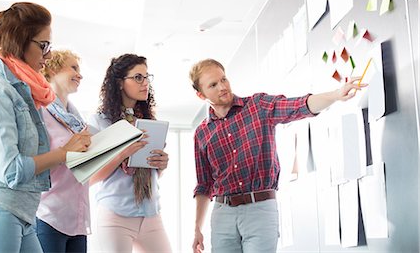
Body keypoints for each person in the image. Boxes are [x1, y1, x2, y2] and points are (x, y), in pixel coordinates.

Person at [189, 58, 365, 253]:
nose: (222, 87)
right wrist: (197, 228)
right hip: (222, 215)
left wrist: (335, 95)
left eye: (224, 79)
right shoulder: (202, 133)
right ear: (200, 94)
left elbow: (298, 106)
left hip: (260, 209)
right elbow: (204, 185)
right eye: (213, 85)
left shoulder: (258, 106)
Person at [0, 2, 91, 253]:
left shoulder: (28, 93)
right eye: (43, 45)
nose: (48, 55)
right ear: (19, 41)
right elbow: (11, 170)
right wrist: (64, 153)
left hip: (24, 214)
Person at [88, 53, 172, 253]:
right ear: (119, 83)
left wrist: (160, 164)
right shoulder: (100, 122)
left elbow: (151, 173)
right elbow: (90, 178)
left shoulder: (149, 122)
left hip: (150, 212)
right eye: (138, 77)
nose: (145, 83)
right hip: (116, 215)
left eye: (146, 77)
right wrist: (121, 154)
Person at [34, 49, 90, 252]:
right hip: (49, 215)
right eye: (73, 67)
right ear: (52, 69)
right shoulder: (40, 113)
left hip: (77, 218)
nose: (80, 74)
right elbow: (35, 164)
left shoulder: (78, 121)